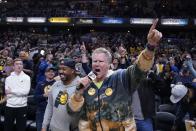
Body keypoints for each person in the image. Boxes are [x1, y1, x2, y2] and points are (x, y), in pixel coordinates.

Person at [67, 19, 162, 131]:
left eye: (101, 61)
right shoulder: (86, 83)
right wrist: (78, 93)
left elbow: (140, 69)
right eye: (94, 61)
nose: (96, 64)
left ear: (109, 64)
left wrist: (150, 47)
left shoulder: (121, 77)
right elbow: (71, 111)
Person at [41, 58, 80, 131]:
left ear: (72, 70)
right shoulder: (55, 85)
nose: (60, 71)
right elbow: (49, 107)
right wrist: (44, 126)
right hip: (53, 128)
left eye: (64, 69)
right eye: (59, 69)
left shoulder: (81, 86)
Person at [4, 58, 31, 131]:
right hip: (9, 106)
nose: (19, 65)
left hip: (22, 107)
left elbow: (25, 92)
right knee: (7, 128)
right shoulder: (8, 78)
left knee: (21, 129)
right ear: (13, 66)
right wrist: (19, 91)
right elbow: (7, 93)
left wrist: (12, 91)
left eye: (21, 64)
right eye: (17, 64)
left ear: (22, 66)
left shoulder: (27, 78)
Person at [34, 67, 56, 131]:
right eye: (49, 71)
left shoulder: (57, 84)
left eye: (52, 72)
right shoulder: (40, 84)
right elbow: (35, 98)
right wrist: (44, 95)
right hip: (41, 111)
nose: (51, 73)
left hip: (54, 111)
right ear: (45, 73)